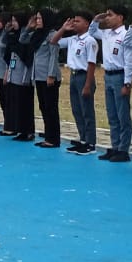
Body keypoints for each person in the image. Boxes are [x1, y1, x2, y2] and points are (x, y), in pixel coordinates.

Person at [90, 6, 132, 162]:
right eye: (106, 15)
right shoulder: (106, 34)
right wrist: (96, 19)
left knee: (123, 115)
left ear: (120, 17)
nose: (107, 18)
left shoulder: (125, 35)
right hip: (108, 75)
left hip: (120, 76)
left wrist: (127, 83)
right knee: (112, 114)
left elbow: (129, 61)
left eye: (110, 15)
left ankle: (123, 149)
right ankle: (115, 147)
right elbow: (91, 32)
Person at [55, 11, 98, 156]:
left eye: (77, 21)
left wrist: (88, 84)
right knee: (76, 110)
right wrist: (63, 29)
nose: (74, 23)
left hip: (84, 76)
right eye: (73, 21)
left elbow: (91, 64)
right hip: (73, 75)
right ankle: (83, 138)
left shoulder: (90, 41)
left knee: (87, 110)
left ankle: (90, 143)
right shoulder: (72, 39)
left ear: (87, 24)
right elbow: (54, 41)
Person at [27, 9, 61, 149]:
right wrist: (30, 26)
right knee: (43, 107)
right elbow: (23, 39)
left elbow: (54, 55)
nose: (38, 21)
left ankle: (53, 139)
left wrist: (51, 74)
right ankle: (48, 136)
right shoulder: (37, 34)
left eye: (40, 18)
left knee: (50, 108)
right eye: (37, 18)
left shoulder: (52, 35)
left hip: (48, 77)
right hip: (39, 75)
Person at [0, 13, 35, 141]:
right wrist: (6, 31)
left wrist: (27, 29)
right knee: (14, 102)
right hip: (13, 72)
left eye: (15, 20)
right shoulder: (12, 36)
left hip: (24, 73)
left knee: (24, 103)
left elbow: (27, 55)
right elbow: (5, 45)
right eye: (12, 20)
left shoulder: (27, 36)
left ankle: (28, 130)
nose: (13, 23)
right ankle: (16, 128)